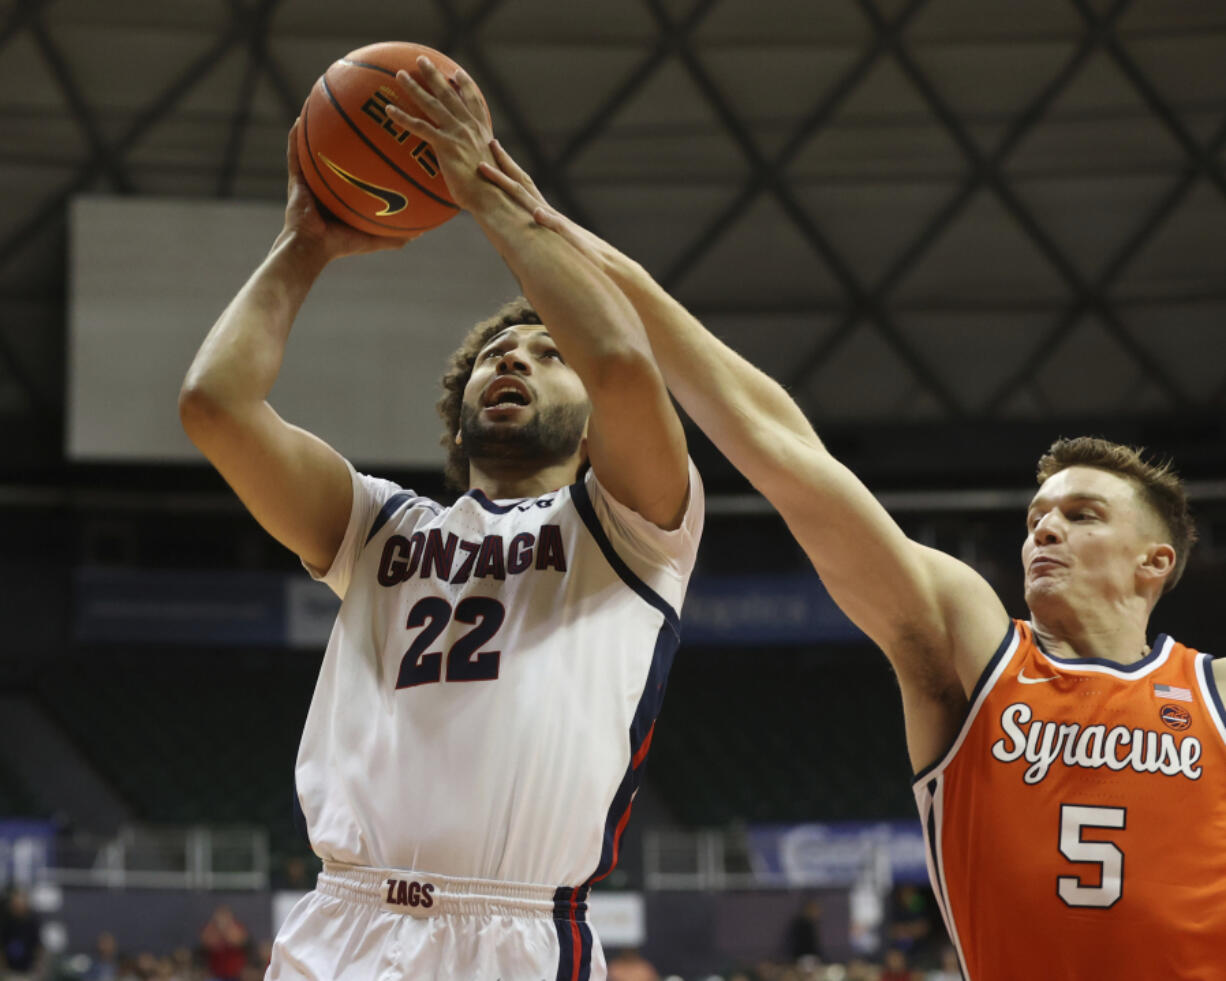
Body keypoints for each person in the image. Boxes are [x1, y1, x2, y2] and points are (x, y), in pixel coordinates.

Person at [479, 147, 1226, 979]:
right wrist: (560, 238)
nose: (1044, 531)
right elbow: (787, 452)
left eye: (1081, 516)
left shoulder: (1213, 693)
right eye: (1035, 517)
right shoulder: (973, 649)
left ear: (1155, 561)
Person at [178, 56, 701, 981]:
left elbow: (622, 360)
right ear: (459, 407)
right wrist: (304, 243)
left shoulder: (633, 528)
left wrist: (485, 192)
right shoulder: (378, 524)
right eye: (497, 354)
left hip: (506, 936)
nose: (515, 360)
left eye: (546, 352)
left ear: (591, 424)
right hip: (337, 923)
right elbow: (216, 406)